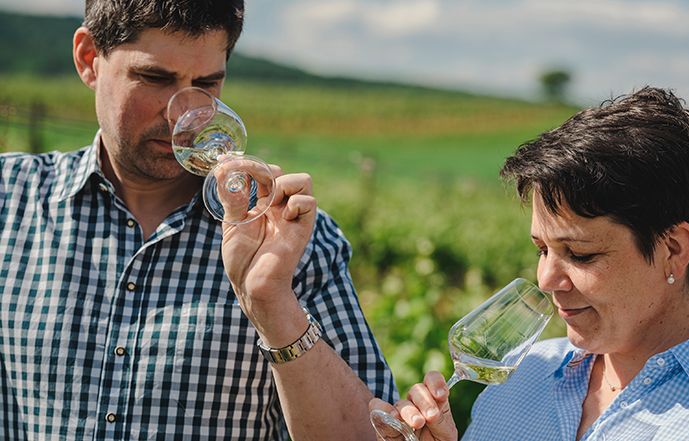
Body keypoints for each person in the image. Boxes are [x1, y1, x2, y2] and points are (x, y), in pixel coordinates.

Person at [0, 1, 396, 440]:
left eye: (206, 84)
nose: (181, 116)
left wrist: (272, 303)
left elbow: (374, 434)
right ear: (88, 58)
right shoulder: (9, 201)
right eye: (155, 78)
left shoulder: (288, 237)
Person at [369, 87, 689, 440]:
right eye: (541, 249)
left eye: (580, 254)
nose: (546, 279)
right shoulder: (522, 379)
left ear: (673, 248)